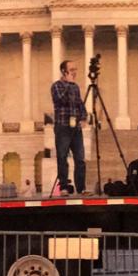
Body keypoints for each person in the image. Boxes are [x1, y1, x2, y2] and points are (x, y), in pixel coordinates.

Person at [51, 59, 88, 194]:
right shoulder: (56, 86)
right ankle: (64, 187)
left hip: (75, 128)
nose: (74, 72)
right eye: (71, 70)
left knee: (80, 159)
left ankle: (81, 188)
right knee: (62, 157)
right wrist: (68, 84)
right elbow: (61, 100)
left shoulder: (75, 87)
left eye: (75, 70)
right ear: (64, 71)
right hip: (63, 127)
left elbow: (80, 104)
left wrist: (83, 117)